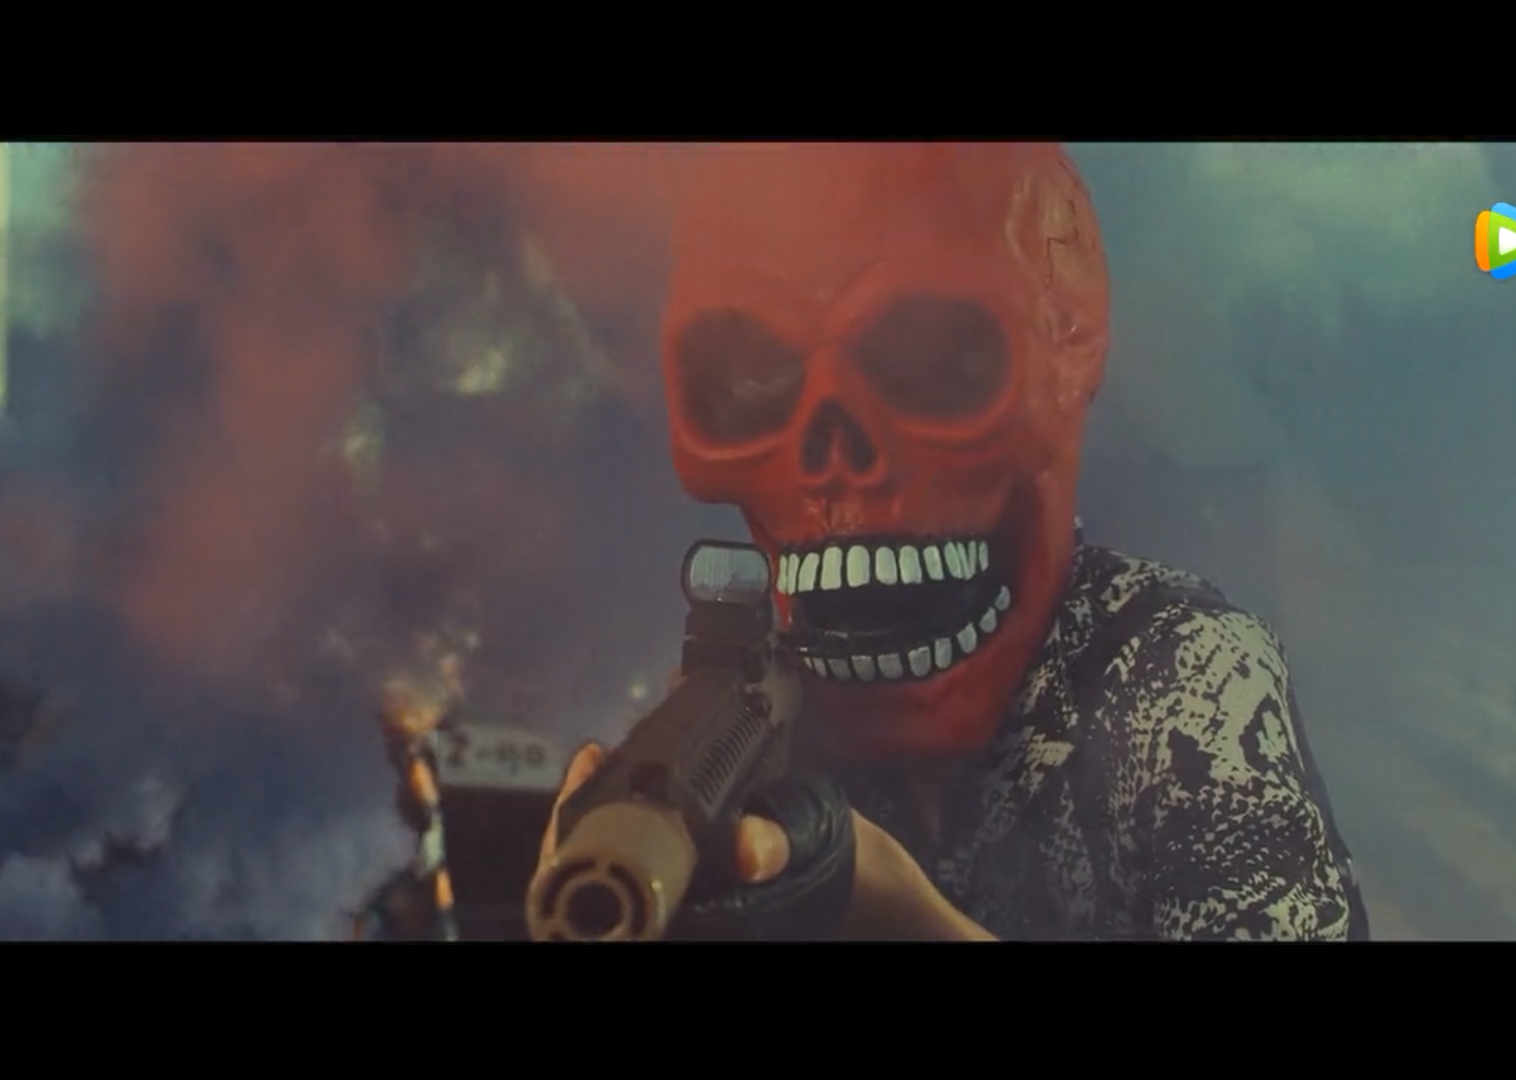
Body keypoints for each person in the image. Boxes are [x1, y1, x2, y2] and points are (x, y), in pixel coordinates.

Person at [532, 143, 1369, 941]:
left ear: (1069, 345)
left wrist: (896, 914)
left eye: (930, 358)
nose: (835, 458)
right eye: (753, 376)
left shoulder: (1184, 684)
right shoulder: (773, 712)